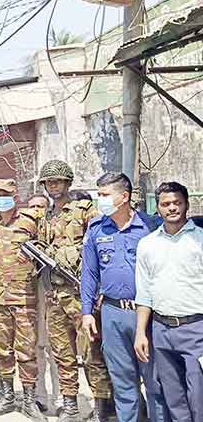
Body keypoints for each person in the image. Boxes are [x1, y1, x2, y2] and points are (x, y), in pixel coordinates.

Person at [81, 172, 168, 422]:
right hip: (113, 313)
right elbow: (89, 272)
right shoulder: (97, 228)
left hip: (149, 314)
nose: (101, 200)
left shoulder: (150, 226)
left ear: (124, 197)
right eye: (99, 195)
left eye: (105, 195)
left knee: (154, 382)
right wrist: (87, 311)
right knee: (123, 382)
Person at [39, 160, 112, 422]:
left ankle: (101, 407)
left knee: (92, 353)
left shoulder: (85, 211)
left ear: (68, 183)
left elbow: (101, 247)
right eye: (49, 182)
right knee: (63, 354)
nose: (53, 186)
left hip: (82, 295)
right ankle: (70, 404)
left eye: (57, 181)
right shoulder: (47, 215)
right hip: (55, 295)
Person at [0, 179, 45, 422]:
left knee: (27, 350)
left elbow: (42, 254)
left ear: (15, 196)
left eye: (6, 194)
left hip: (25, 297)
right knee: (2, 349)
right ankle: (7, 396)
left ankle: (29, 399)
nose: (1, 198)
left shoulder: (30, 221)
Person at [134, 182, 203, 422]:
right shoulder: (148, 244)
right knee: (174, 400)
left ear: (186, 205)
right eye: (165, 204)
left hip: (197, 330)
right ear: (159, 208)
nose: (172, 208)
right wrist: (141, 333)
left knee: (199, 399)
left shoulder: (200, 241)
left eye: (177, 203)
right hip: (161, 331)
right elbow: (144, 293)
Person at [26, 192, 62, 415]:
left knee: (57, 350)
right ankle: (40, 397)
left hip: (55, 293)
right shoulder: (24, 232)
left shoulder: (56, 229)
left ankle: (61, 398)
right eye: (32, 207)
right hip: (32, 295)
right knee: (37, 347)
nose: (36, 211)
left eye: (41, 207)